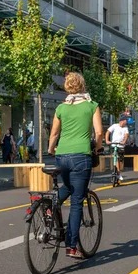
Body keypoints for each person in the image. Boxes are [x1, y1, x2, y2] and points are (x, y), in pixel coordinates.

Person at [48, 72, 103, 259]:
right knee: (77, 201)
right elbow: (99, 132)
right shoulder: (91, 106)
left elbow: (54, 134)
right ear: (83, 85)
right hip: (81, 156)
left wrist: (51, 150)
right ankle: (72, 247)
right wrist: (98, 148)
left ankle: (50, 204)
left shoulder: (61, 108)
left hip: (61, 156)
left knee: (68, 187)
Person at [105, 116, 130, 181]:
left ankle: (118, 171)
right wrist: (107, 140)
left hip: (121, 145)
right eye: (125, 122)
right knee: (116, 158)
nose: (125, 123)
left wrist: (124, 141)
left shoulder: (125, 128)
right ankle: (118, 173)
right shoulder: (114, 126)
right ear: (122, 121)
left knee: (120, 160)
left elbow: (126, 135)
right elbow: (107, 132)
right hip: (114, 145)